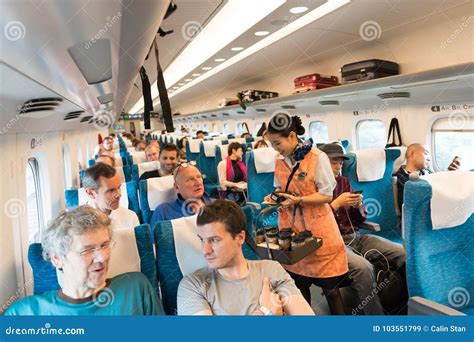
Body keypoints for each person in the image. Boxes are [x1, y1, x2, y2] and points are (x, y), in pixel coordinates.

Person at [4, 205, 164, 315]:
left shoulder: (135, 288)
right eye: (87, 250)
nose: (103, 257)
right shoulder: (26, 313)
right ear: (57, 259)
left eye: (104, 245)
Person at [264, 113, 349, 315]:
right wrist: (275, 196)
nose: (276, 148)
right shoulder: (279, 160)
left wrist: (299, 200)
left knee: (332, 291)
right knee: (298, 290)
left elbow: (327, 195)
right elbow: (280, 187)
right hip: (290, 231)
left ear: (292, 136)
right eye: (272, 144)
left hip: (318, 229)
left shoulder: (318, 158)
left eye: (277, 143)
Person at [177, 200, 314, 315]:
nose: (205, 250)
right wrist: (265, 312)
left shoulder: (271, 269)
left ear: (240, 238)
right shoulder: (193, 285)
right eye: (202, 240)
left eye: (214, 240)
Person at [319, 142, 407, 315]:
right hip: (333, 243)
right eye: (333, 162)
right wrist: (336, 204)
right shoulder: (313, 190)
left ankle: (404, 305)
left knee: (402, 253)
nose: (338, 167)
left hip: (356, 236)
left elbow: (360, 220)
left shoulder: (343, 182)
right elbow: (315, 225)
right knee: (364, 267)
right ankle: (376, 318)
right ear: (321, 164)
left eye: (341, 163)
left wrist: (359, 206)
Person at [394, 143, 460, 209]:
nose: (429, 159)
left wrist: (449, 175)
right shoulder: (399, 177)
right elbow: (409, 203)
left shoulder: (427, 172)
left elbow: (439, 186)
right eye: (426, 153)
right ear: (412, 154)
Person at [83, 163, 139, 230]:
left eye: (119, 188)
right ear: (90, 193)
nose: (119, 195)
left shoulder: (130, 217)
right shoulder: (77, 223)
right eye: (111, 190)